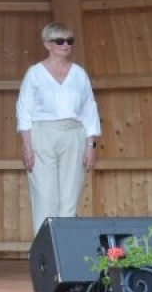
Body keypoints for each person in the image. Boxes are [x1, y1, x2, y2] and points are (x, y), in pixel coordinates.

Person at [17, 22, 102, 236]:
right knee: (45, 196)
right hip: (42, 134)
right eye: (60, 41)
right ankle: (45, 249)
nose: (66, 45)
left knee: (69, 198)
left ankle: (66, 247)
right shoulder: (35, 73)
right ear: (47, 44)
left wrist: (91, 145)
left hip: (74, 133)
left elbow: (89, 110)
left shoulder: (79, 74)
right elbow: (24, 110)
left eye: (70, 41)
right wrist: (27, 146)